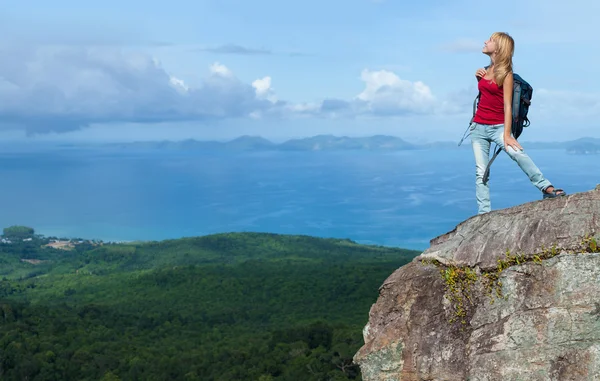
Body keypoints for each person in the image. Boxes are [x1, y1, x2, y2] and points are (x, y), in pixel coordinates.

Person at [470, 32, 565, 214]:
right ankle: (483, 214)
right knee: (481, 172)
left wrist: (507, 135)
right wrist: (478, 79)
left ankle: (546, 188)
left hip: (498, 127)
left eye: (490, 40)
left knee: (518, 154)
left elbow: (507, 105)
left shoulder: (506, 74)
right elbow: (486, 97)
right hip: (478, 128)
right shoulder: (484, 71)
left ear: (499, 47)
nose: (485, 41)